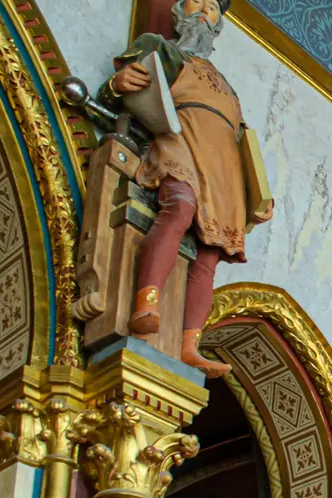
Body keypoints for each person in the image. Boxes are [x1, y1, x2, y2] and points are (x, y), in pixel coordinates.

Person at [98, 0, 272, 377]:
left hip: (223, 166)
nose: (203, 11)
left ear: (218, 25)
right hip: (181, 140)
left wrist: (260, 193)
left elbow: (244, 141)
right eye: (197, 1)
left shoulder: (227, 87)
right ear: (178, 9)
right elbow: (125, 86)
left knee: (211, 253)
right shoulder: (161, 49)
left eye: (212, 8)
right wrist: (117, 83)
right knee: (179, 206)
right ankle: (147, 301)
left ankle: (190, 344)